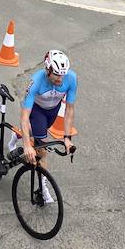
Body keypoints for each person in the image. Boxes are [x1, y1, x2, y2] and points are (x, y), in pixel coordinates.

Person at [14, 50, 77, 201]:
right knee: (42, 151)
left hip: (52, 113)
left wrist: (67, 137)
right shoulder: (36, 82)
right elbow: (24, 115)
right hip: (37, 112)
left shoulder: (71, 78)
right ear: (47, 70)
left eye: (63, 74)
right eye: (56, 74)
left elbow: (69, 110)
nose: (60, 78)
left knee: (35, 137)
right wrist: (26, 145)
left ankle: (23, 134)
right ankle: (43, 187)